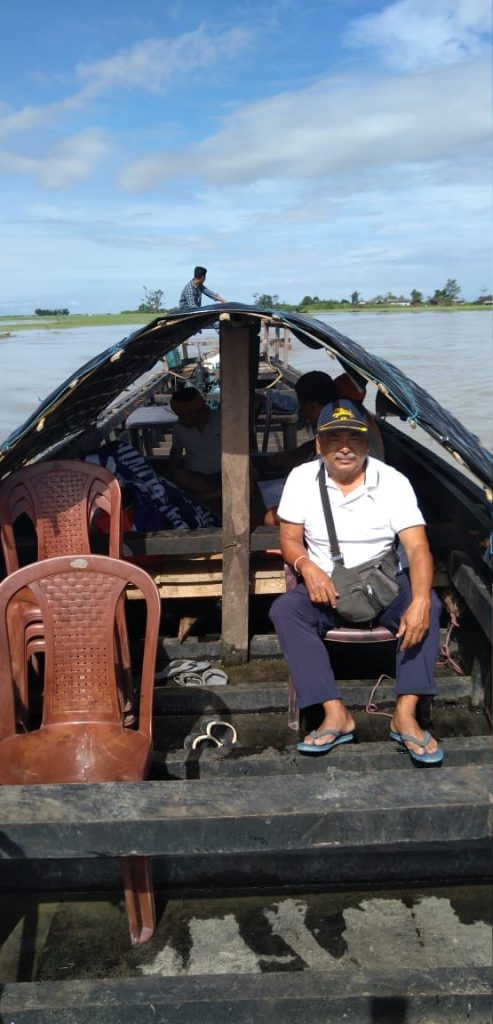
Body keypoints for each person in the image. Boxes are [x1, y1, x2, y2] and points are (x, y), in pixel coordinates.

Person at [269, 398, 444, 765]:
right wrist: (305, 564)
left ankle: (405, 713)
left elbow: (417, 549)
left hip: (385, 585)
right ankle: (335, 713)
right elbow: (288, 539)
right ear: (319, 444)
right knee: (286, 610)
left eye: (354, 437)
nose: (344, 446)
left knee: (429, 604)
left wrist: (421, 601)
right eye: (335, 437)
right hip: (326, 588)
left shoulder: (392, 481)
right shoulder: (302, 479)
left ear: (368, 443)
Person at [260, 370, 384, 525]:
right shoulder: (348, 414)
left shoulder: (336, 428)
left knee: (268, 516)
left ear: (311, 406)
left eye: (303, 408)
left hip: (348, 502)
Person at [168, 387, 222, 512]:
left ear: (194, 413)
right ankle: (216, 494)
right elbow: (176, 450)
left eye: (181, 415)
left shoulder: (222, 421)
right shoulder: (179, 428)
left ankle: (208, 496)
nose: (179, 418)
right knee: (178, 475)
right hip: (196, 478)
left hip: (223, 475)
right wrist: (169, 472)